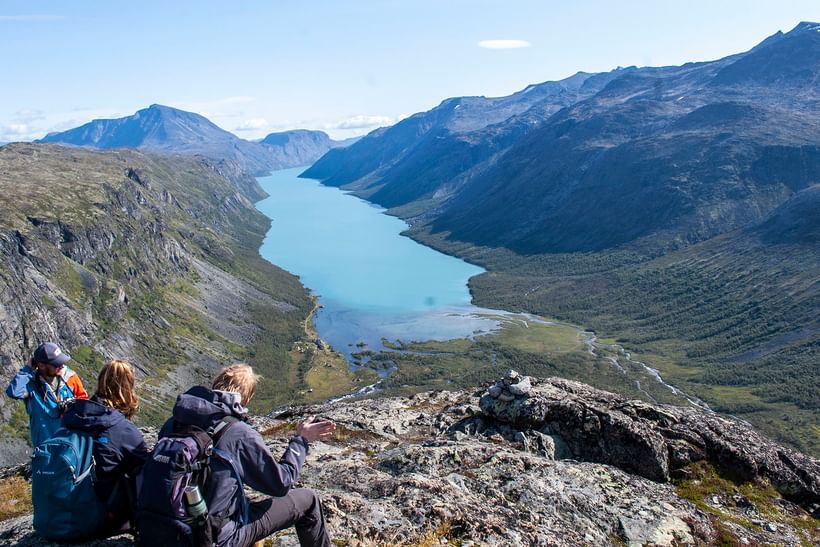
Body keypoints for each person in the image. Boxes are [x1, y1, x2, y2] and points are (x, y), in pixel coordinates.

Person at [156, 363, 336, 547]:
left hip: (164, 532)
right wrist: (301, 440)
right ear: (246, 398)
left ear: (215, 385)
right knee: (308, 500)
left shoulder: (173, 423)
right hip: (215, 539)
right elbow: (281, 484)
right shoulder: (238, 433)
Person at [61, 360, 149, 537]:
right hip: (104, 519)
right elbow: (147, 468)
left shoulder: (73, 416)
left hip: (64, 513)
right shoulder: (123, 430)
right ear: (128, 388)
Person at [5, 341, 89, 448]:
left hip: (73, 446)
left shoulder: (70, 377)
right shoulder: (31, 384)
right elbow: (13, 392)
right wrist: (27, 370)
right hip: (46, 449)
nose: (62, 366)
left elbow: (85, 402)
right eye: (56, 363)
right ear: (41, 365)